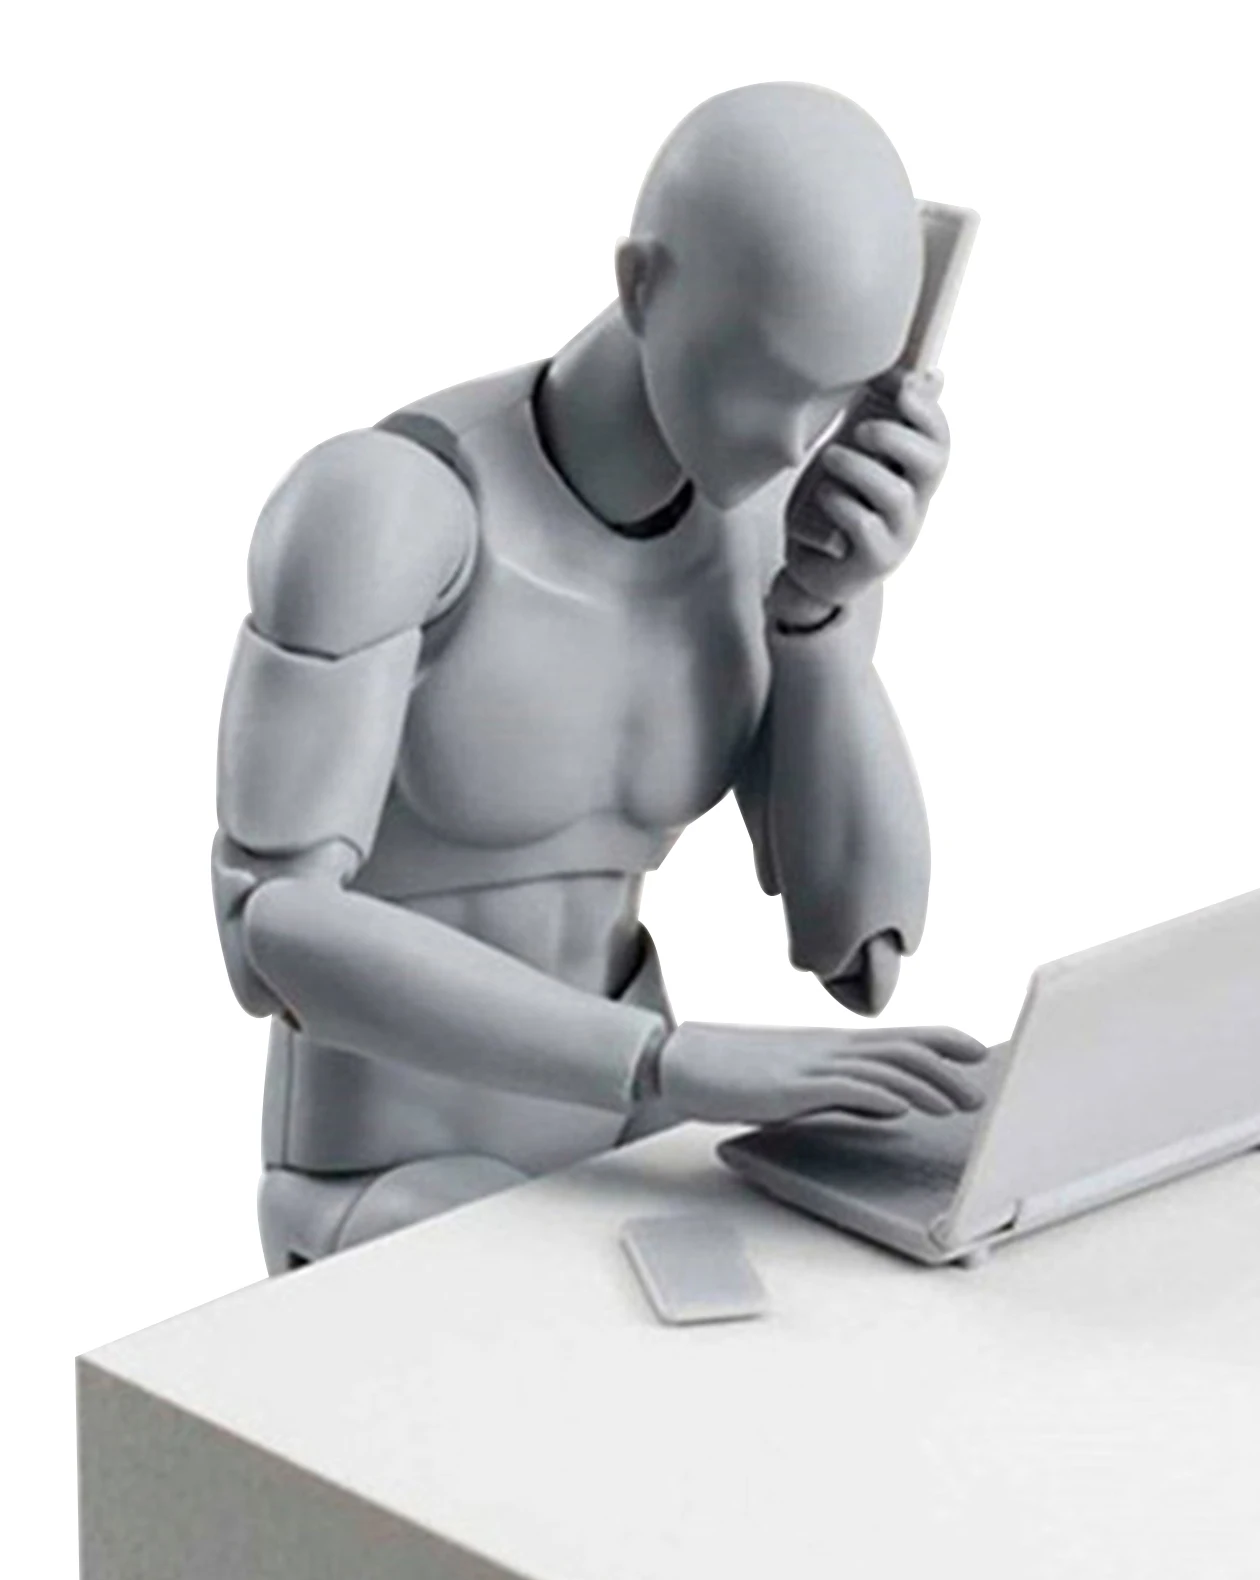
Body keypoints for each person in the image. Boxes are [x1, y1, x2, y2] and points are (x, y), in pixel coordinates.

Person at [213, 82, 987, 1273]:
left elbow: (861, 952)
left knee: (929, 1266)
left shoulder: (767, 521)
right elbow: (272, 930)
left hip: (637, 1155)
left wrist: (821, 628)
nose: (795, 440)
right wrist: (665, 1059)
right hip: (391, 1181)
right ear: (641, 285)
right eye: (767, 377)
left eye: (836, 394)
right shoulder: (393, 511)